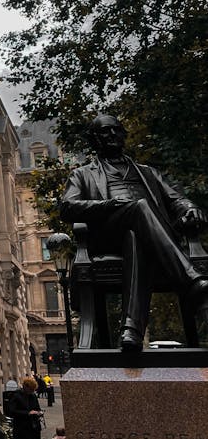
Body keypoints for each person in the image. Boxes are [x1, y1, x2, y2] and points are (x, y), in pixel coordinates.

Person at [61, 113, 208, 352]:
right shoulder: (83, 174)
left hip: (145, 237)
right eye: (104, 132)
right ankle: (190, 279)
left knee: (135, 236)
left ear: (122, 135)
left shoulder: (148, 173)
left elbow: (177, 199)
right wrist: (108, 205)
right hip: (107, 236)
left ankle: (131, 330)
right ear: (94, 140)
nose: (110, 135)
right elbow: (67, 207)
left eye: (115, 130)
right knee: (139, 207)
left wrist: (191, 208)